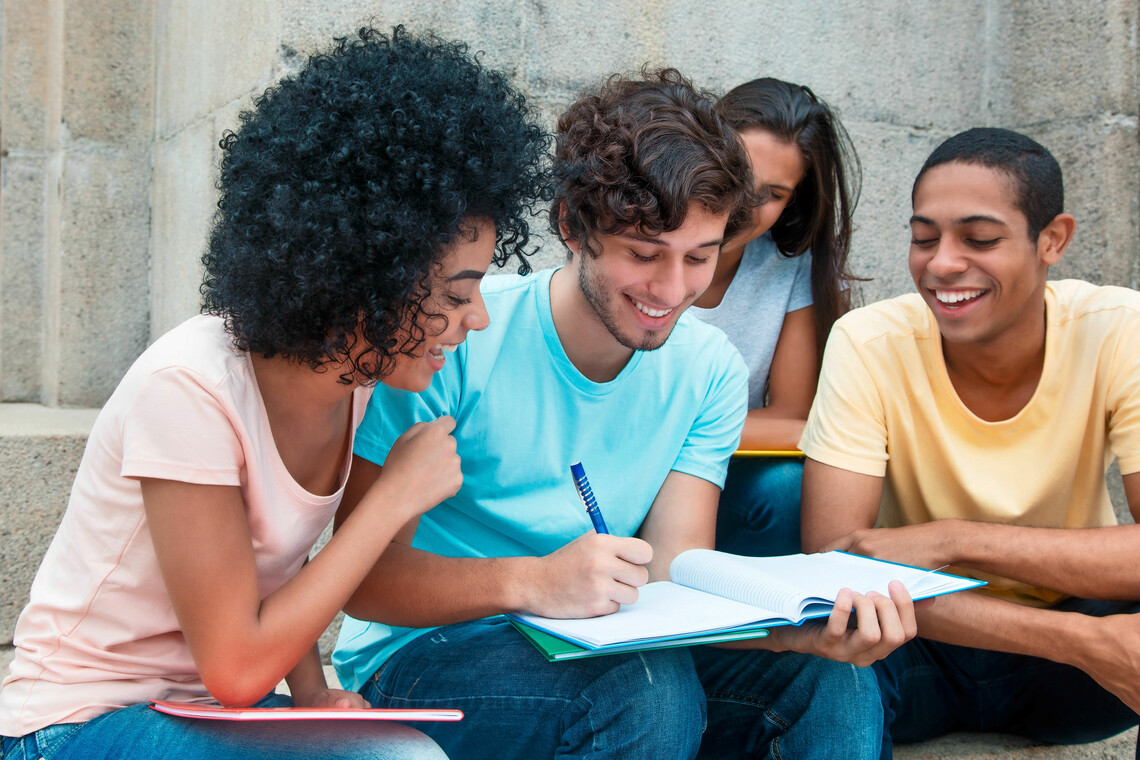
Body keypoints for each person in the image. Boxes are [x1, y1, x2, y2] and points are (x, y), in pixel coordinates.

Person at [332, 68, 916, 760]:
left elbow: (674, 573)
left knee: (831, 680)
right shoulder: (454, 336)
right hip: (424, 653)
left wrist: (791, 631)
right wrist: (532, 581)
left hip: (601, 640)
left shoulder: (709, 371)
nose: (673, 291)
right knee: (642, 688)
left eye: (700, 257)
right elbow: (362, 582)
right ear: (573, 227)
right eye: (645, 255)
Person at [0, 26, 547, 760]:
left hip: (212, 711)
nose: (476, 319)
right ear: (367, 277)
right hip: (74, 722)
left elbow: (267, 576)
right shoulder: (188, 391)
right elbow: (234, 668)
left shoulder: (353, 382)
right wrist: (391, 500)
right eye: (456, 295)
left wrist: (316, 694)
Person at [799, 127, 1140, 758]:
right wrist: (1080, 642)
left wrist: (955, 540)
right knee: (822, 660)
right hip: (916, 645)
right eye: (923, 238)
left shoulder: (1119, 331)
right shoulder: (868, 341)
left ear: (1053, 240)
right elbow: (834, 571)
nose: (942, 264)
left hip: (1076, 676)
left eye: (980, 239)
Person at [691, 77, 860, 557]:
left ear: (794, 203)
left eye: (772, 193)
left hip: (718, 471)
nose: (743, 202)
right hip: (617, 467)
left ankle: (750, 630)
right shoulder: (642, 244)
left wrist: (671, 426)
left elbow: (793, 419)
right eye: (735, 173)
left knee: (787, 486)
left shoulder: (790, 270)